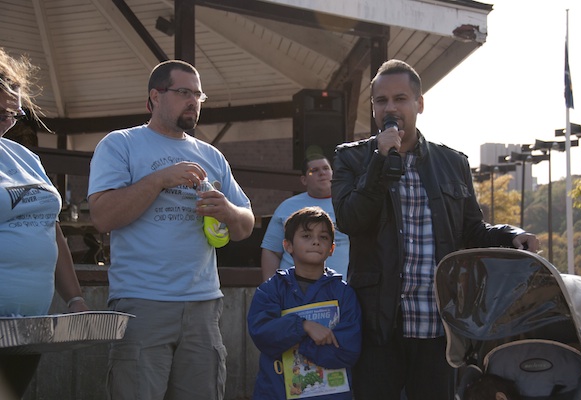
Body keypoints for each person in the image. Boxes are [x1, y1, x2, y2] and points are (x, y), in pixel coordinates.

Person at [331, 59, 540, 400]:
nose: (390, 108)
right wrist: (379, 163)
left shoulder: (452, 162)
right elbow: (350, 220)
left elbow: (472, 230)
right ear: (372, 108)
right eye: (381, 101)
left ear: (420, 103)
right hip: (378, 324)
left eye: (400, 98)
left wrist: (510, 235)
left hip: (438, 323)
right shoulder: (351, 158)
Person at [87, 59, 255, 400]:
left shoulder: (211, 155)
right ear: (155, 96)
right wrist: (159, 179)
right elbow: (103, 217)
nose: (193, 101)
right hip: (142, 302)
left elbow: (246, 224)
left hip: (204, 304)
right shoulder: (121, 144)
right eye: (183, 92)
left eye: (198, 94)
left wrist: (229, 211)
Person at [0, 47, 88, 398]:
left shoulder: (25, 157)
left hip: (28, 329)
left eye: (15, 111)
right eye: (3, 109)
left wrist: (75, 298)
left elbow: (53, 232)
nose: (10, 118)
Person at [248, 206, 361, 399]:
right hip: (277, 391)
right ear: (288, 245)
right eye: (307, 236)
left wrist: (300, 346)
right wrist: (303, 327)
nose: (316, 241)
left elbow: (348, 350)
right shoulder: (271, 290)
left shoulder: (344, 293)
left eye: (323, 237)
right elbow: (262, 334)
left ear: (332, 249)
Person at [261, 155, 349, 281]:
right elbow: (272, 251)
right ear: (304, 180)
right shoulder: (287, 207)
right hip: (293, 291)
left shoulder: (348, 204)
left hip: (340, 290)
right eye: (315, 170)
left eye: (326, 168)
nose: (322, 173)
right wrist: (270, 289)